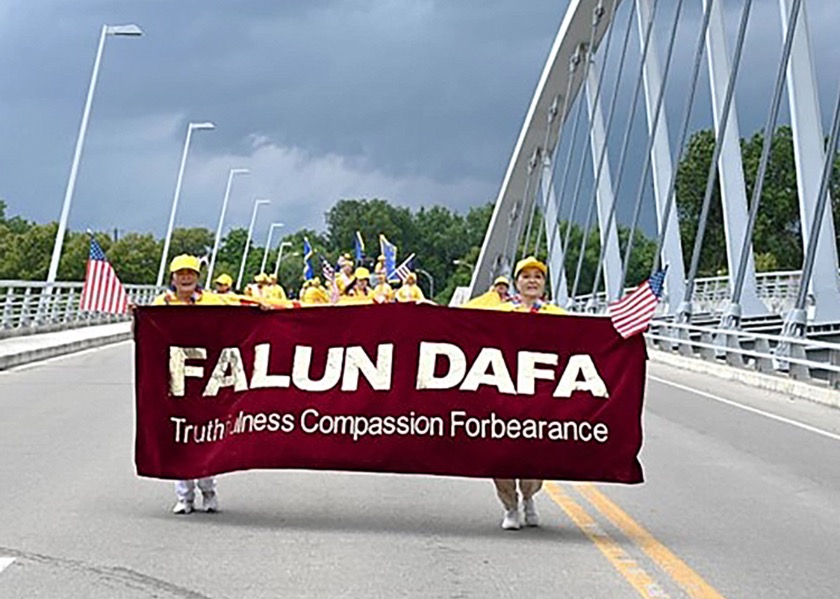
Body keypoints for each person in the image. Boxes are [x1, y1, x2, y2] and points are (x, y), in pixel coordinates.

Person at [493, 256, 565, 530]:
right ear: (517, 282)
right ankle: (510, 506)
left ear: (544, 284)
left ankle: (529, 496)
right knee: (500, 452)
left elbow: (585, 340)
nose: (532, 281)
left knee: (535, 452)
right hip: (505, 389)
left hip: (540, 393)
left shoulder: (556, 315)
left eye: (538, 276)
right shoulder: (499, 311)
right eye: (526, 276)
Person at [151, 254, 225, 515]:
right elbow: (147, 339)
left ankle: (208, 490)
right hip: (175, 376)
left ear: (197, 277)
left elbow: (237, 321)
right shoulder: (161, 303)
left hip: (207, 377)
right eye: (180, 273)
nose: (185, 278)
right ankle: (184, 496)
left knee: (207, 433)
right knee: (179, 434)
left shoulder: (213, 301)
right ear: (172, 277)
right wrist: (138, 318)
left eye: (190, 273)